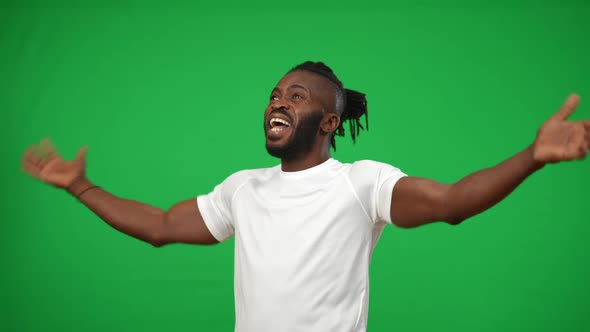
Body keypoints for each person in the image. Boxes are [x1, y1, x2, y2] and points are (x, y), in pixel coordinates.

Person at [21, 61, 589, 332]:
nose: (278, 102)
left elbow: (451, 203)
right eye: (274, 94)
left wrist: (531, 156)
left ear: (328, 123)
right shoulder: (243, 188)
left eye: (296, 95)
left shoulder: (360, 183)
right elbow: (161, 225)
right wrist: (80, 186)